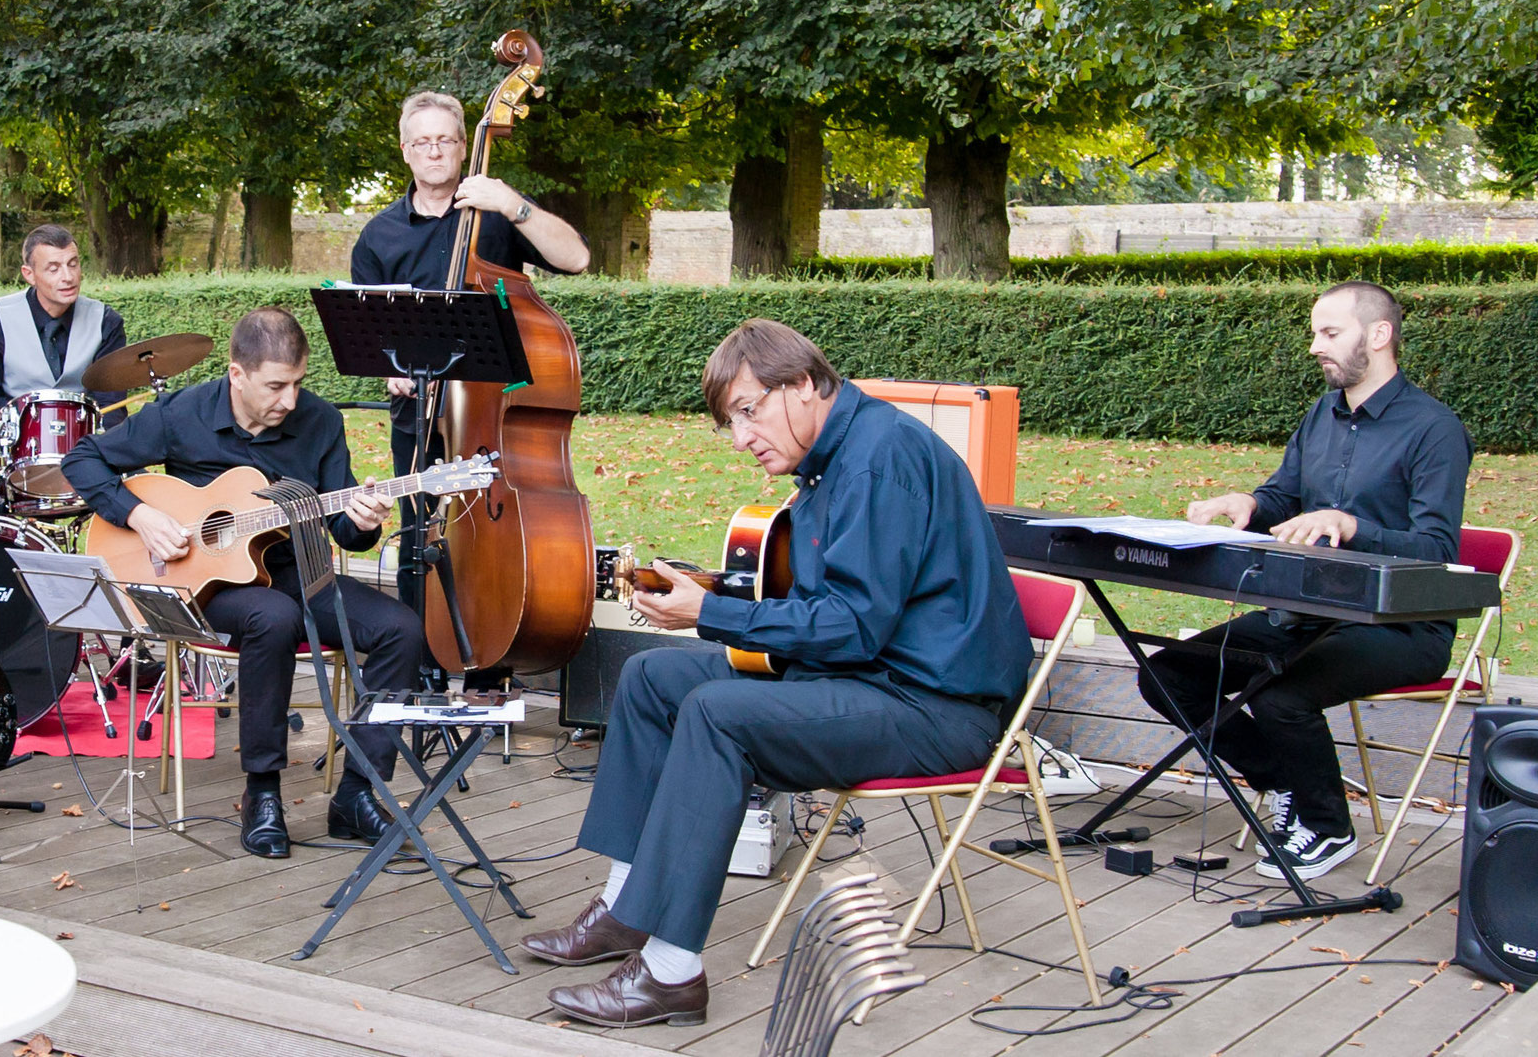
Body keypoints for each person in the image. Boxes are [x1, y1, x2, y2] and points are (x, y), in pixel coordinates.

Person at [522, 319, 1033, 1028]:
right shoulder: (834, 458)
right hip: (868, 680)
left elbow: (854, 627)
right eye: (732, 421)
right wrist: (713, 597)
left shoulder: (877, 460)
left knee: (715, 713)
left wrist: (712, 614)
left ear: (800, 387)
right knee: (651, 681)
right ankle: (623, 907)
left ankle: (671, 975)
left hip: (933, 707)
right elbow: (830, 609)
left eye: (747, 412)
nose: (740, 438)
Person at [1138, 280, 1474, 882]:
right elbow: (1284, 498)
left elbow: (1436, 550)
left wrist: (1350, 525)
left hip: (1400, 626)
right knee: (1166, 675)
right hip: (1306, 609)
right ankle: (1284, 784)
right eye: (1315, 332)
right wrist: (1246, 502)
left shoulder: (1434, 429)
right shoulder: (1322, 413)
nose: (1315, 345)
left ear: (1378, 335)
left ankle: (1328, 826)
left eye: (1329, 332)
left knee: (1280, 692)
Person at [61, 306, 427, 859]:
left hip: (302, 572)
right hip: (208, 586)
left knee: (401, 627)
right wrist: (139, 516)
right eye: (276, 386)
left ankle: (358, 793)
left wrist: (361, 520)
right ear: (238, 374)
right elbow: (83, 458)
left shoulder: (321, 422)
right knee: (271, 619)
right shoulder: (182, 413)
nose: (290, 401)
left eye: (298, 384)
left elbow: (345, 533)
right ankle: (262, 792)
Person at [349, 90, 590, 665]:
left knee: (489, 537)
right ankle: (418, 668)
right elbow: (372, 333)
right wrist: (392, 371)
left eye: (446, 140)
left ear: (464, 146)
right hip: (419, 418)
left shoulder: (496, 212)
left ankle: (489, 658)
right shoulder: (378, 238)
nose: (435, 151)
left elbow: (577, 257)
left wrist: (514, 205)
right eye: (422, 142)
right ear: (406, 151)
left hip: (491, 418)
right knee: (417, 539)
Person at [0, 223, 128, 416]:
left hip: (86, 440)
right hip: (15, 440)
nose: (68, 277)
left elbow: (110, 404)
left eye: (73, 264)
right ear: (29, 275)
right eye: (53, 269)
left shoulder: (106, 322)